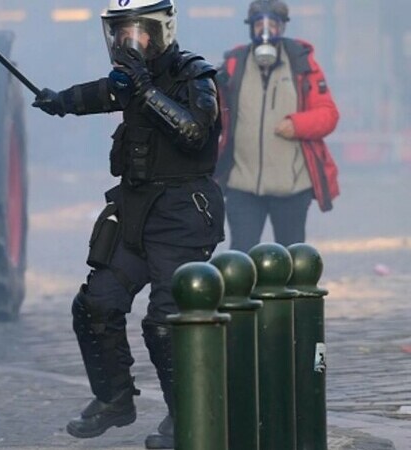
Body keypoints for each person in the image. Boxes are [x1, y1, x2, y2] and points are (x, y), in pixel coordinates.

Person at [31, 0, 224, 448]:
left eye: (139, 31)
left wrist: (145, 89)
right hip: (136, 212)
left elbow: (196, 131)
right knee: (96, 303)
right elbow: (101, 93)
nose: (129, 41)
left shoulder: (195, 76)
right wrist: (59, 101)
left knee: (165, 323)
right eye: (120, 32)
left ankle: (187, 419)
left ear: (163, 29)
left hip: (182, 216)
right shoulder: (129, 81)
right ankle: (115, 399)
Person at [215, 0, 340, 252]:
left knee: (292, 258)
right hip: (243, 185)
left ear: (282, 28)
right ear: (249, 27)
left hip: (292, 188)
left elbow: (328, 114)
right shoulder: (234, 64)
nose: (265, 30)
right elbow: (215, 110)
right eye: (259, 23)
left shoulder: (302, 63)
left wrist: (297, 124)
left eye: (272, 24)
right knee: (241, 257)